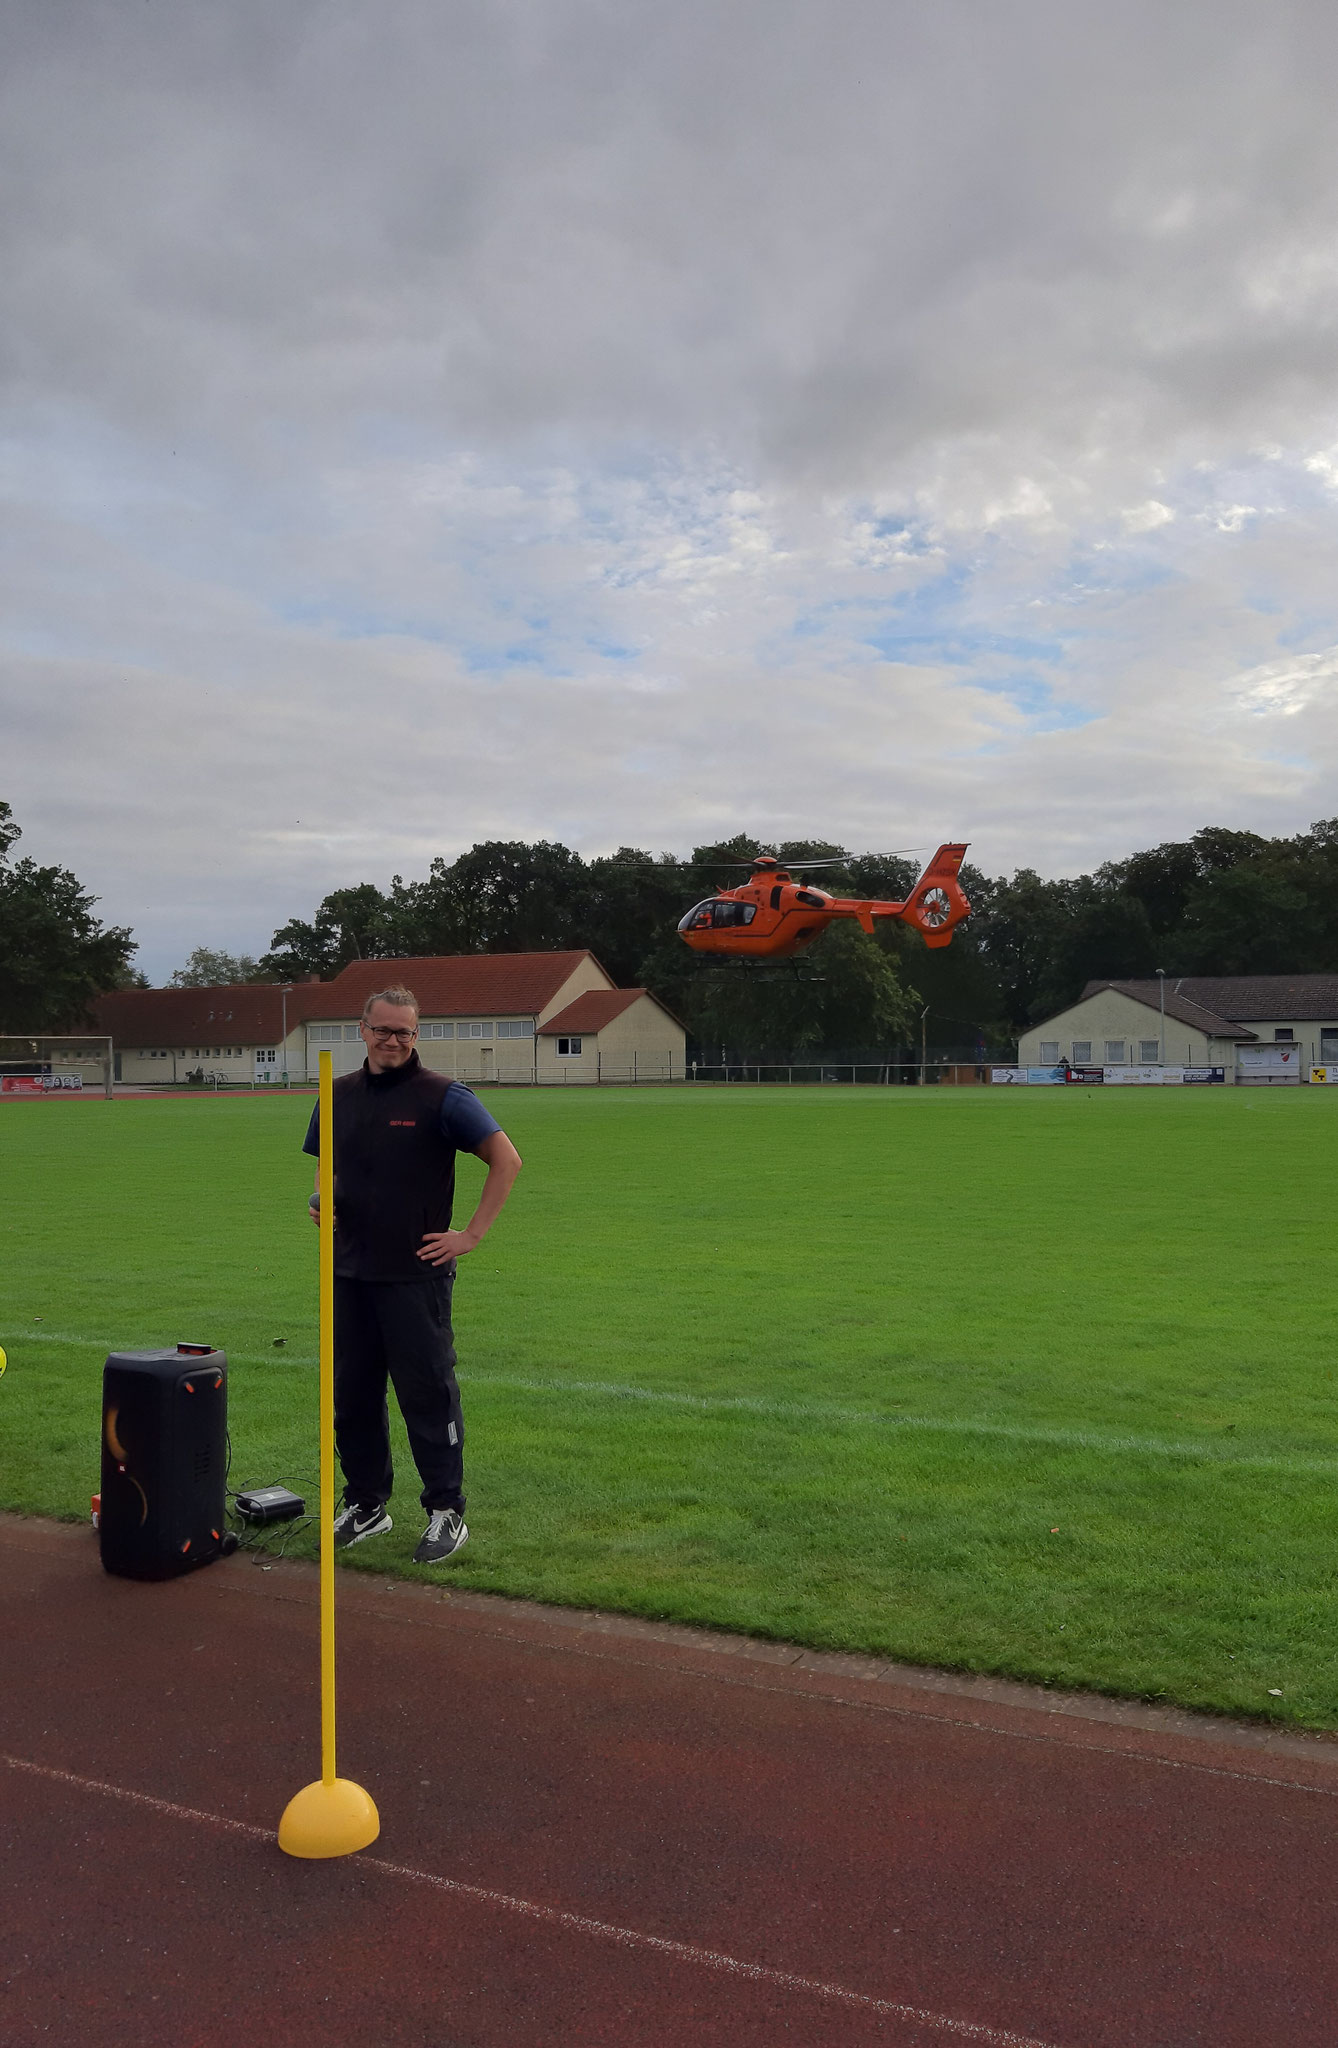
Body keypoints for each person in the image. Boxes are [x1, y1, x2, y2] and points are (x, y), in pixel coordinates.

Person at [303, 984, 522, 1563]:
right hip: (348, 1272)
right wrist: (321, 1195)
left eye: (405, 1031)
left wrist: (469, 1235)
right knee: (351, 1397)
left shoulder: (444, 1097)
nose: (394, 1039)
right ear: (363, 1029)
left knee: (426, 1395)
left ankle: (446, 1511)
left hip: (414, 1277)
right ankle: (367, 1504)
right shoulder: (335, 1094)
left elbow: (507, 1159)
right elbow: (329, 1161)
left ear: (416, 1035)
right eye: (384, 1029)